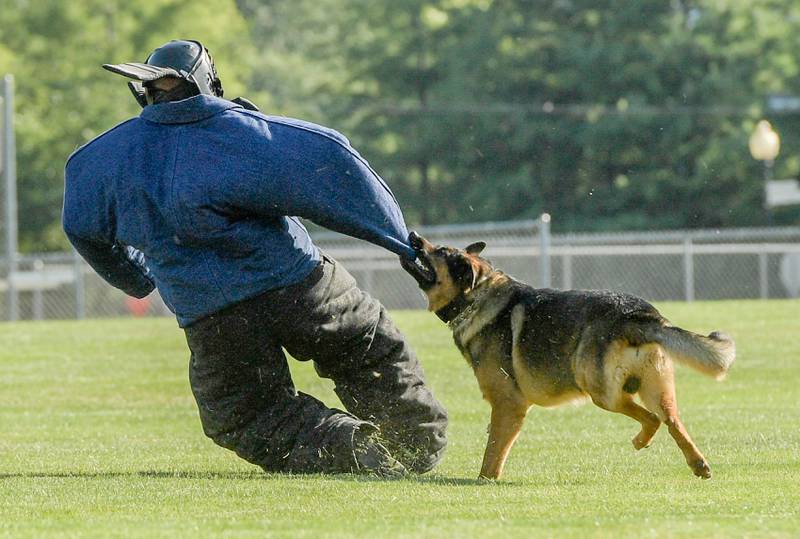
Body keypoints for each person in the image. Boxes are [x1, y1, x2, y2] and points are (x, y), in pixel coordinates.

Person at [62, 39, 447, 476]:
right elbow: (334, 163)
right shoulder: (246, 132)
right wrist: (401, 242)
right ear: (211, 83)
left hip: (212, 315)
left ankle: (349, 448)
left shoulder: (98, 160)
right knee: (366, 352)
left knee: (246, 414)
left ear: (143, 91)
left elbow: (82, 228)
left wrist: (136, 278)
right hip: (302, 287)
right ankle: (415, 439)